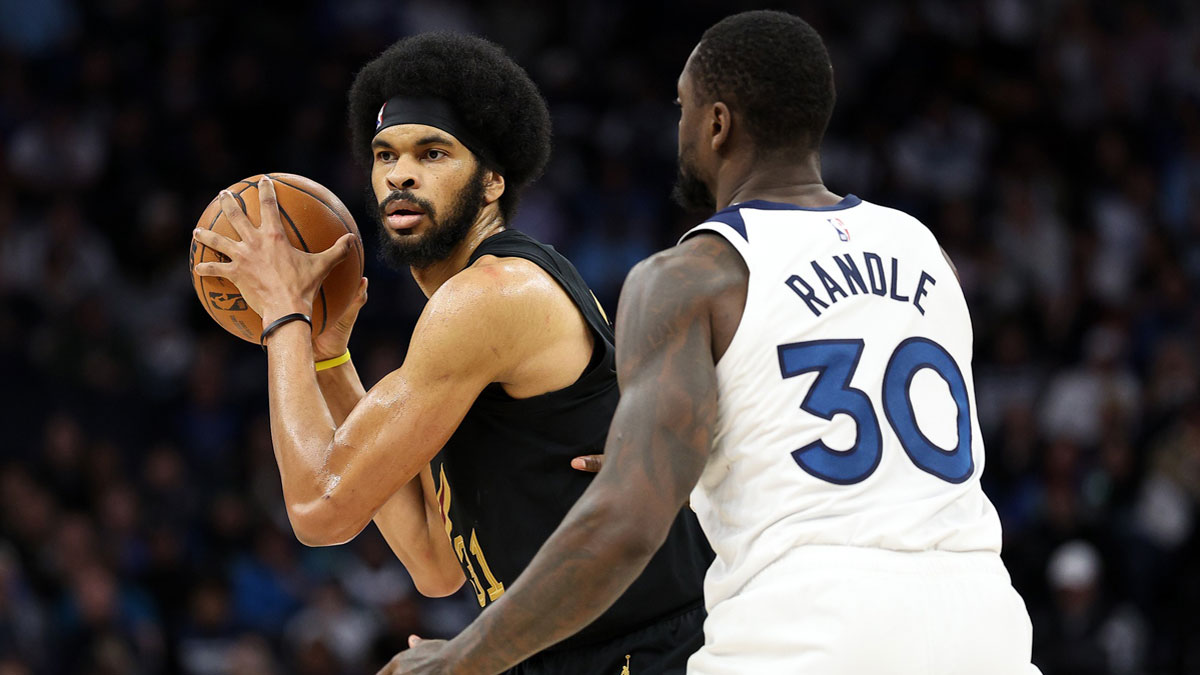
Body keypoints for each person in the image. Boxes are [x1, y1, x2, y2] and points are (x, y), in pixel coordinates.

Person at [380, 11, 1038, 675]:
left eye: (683, 109)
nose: (680, 128)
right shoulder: (924, 249)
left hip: (808, 635)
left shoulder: (690, 277)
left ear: (717, 124)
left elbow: (626, 526)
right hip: (986, 626)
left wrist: (461, 658)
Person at [191, 32, 711, 675]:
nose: (400, 173)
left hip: (650, 648)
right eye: (385, 155)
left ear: (492, 181)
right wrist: (328, 359)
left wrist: (284, 316)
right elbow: (435, 562)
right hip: (572, 650)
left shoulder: (489, 299)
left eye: (432, 153)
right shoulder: (477, 310)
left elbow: (317, 512)